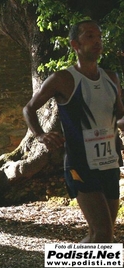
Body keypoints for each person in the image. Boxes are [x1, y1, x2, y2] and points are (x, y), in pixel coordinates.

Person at [23, 20, 124, 243]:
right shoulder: (63, 79)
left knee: (99, 234)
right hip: (81, 164)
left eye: (99, 36)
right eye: (90, 36)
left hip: (110, 162)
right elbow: (29, 108)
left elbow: (119, 116)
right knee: (103, 233)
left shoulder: (112, 78)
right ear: (75, 44)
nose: (97, 41)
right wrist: (41, 135)